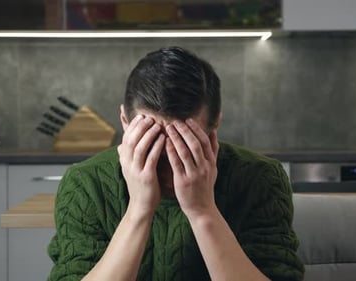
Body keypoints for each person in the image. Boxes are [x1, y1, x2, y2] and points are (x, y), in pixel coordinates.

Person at [47, 47, 304, 281]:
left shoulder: (260, 178)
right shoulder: (85, 183)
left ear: (214, 127)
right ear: (125, 122)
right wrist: (139, 210)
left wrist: (203, 211)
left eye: (185, 146)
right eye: (152, 145)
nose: (171, 167)